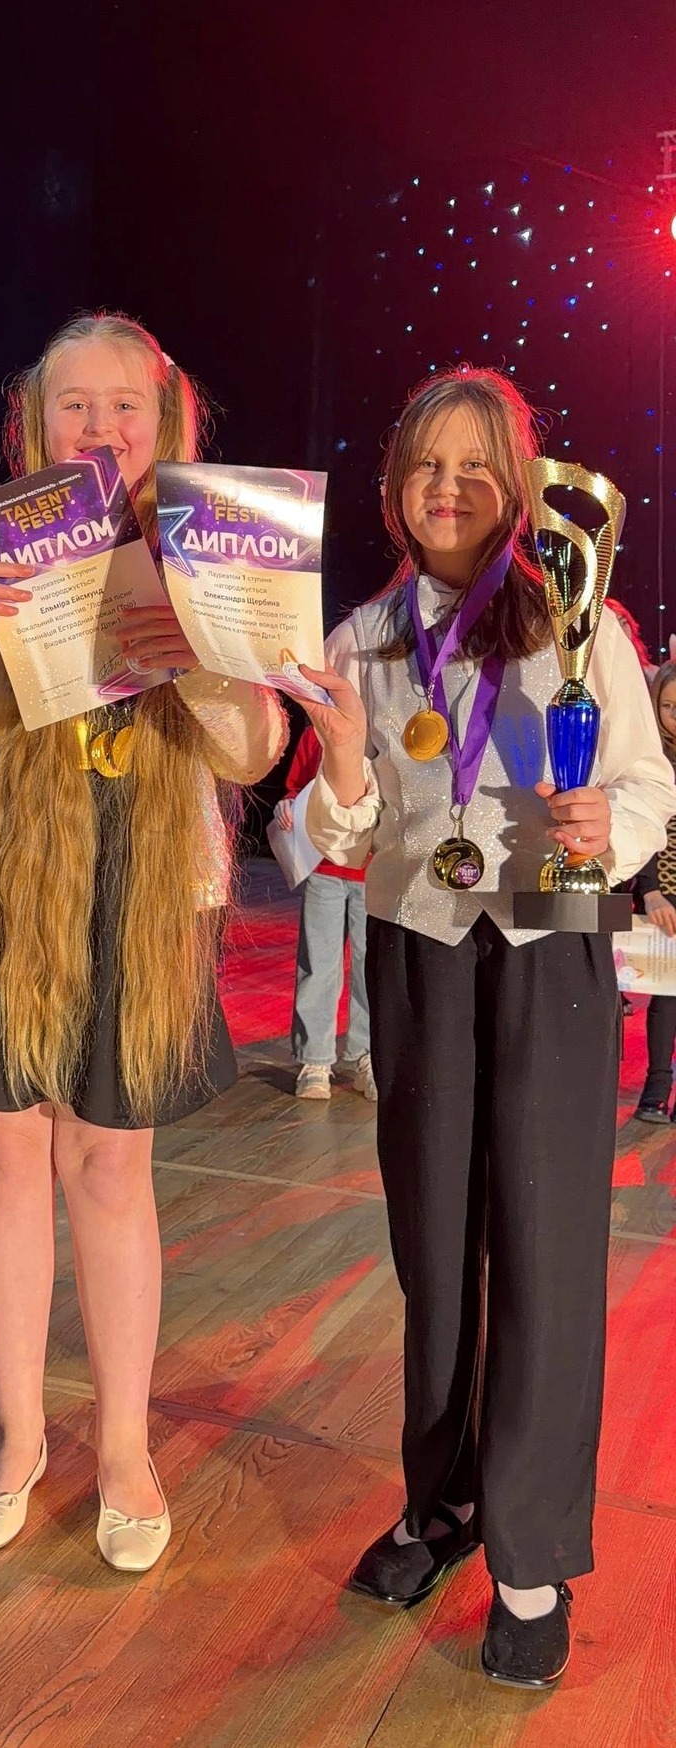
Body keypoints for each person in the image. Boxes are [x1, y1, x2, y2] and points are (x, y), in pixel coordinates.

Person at [0, 311, 286, 1571]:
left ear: (165, 422)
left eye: (125, 405)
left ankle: (121, 1447)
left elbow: (254, 753)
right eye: (74, 404)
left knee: (110, 1168)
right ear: (33, 421)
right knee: (9, 1159)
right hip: (0, 871)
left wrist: (200, 660)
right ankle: (17, 1437)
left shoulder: (206, 550)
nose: (100, 425)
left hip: (143, 882)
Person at [299, 366, 676, 1688]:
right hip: (418, 949)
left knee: (546, 1253)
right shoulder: (362, 638)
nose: (447, 488)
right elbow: (330, 832)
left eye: (476, 466)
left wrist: (612, 825)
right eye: (425, 464)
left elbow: (649, 781)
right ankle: (443, 1500)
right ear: (394, 485)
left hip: (550, 945)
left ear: (517, 485)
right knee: (433, 1252)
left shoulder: (581, 620)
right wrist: (344, 766)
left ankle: (529, 1549)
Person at [273, 726, 374, 1102]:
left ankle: (367, 1056)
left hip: (373, 870)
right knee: (318, 963)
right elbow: (297, 788)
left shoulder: (381, 728)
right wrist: (286, 806)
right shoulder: (318, 732)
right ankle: (315, 1061)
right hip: (323, 868)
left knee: (370, 967)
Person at [631, 660, 676, 1120]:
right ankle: (657, 1086)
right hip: (667, 893)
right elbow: (643, 832)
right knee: (667, 993)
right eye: (667, 706)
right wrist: (651, 892)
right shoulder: (651, 761)